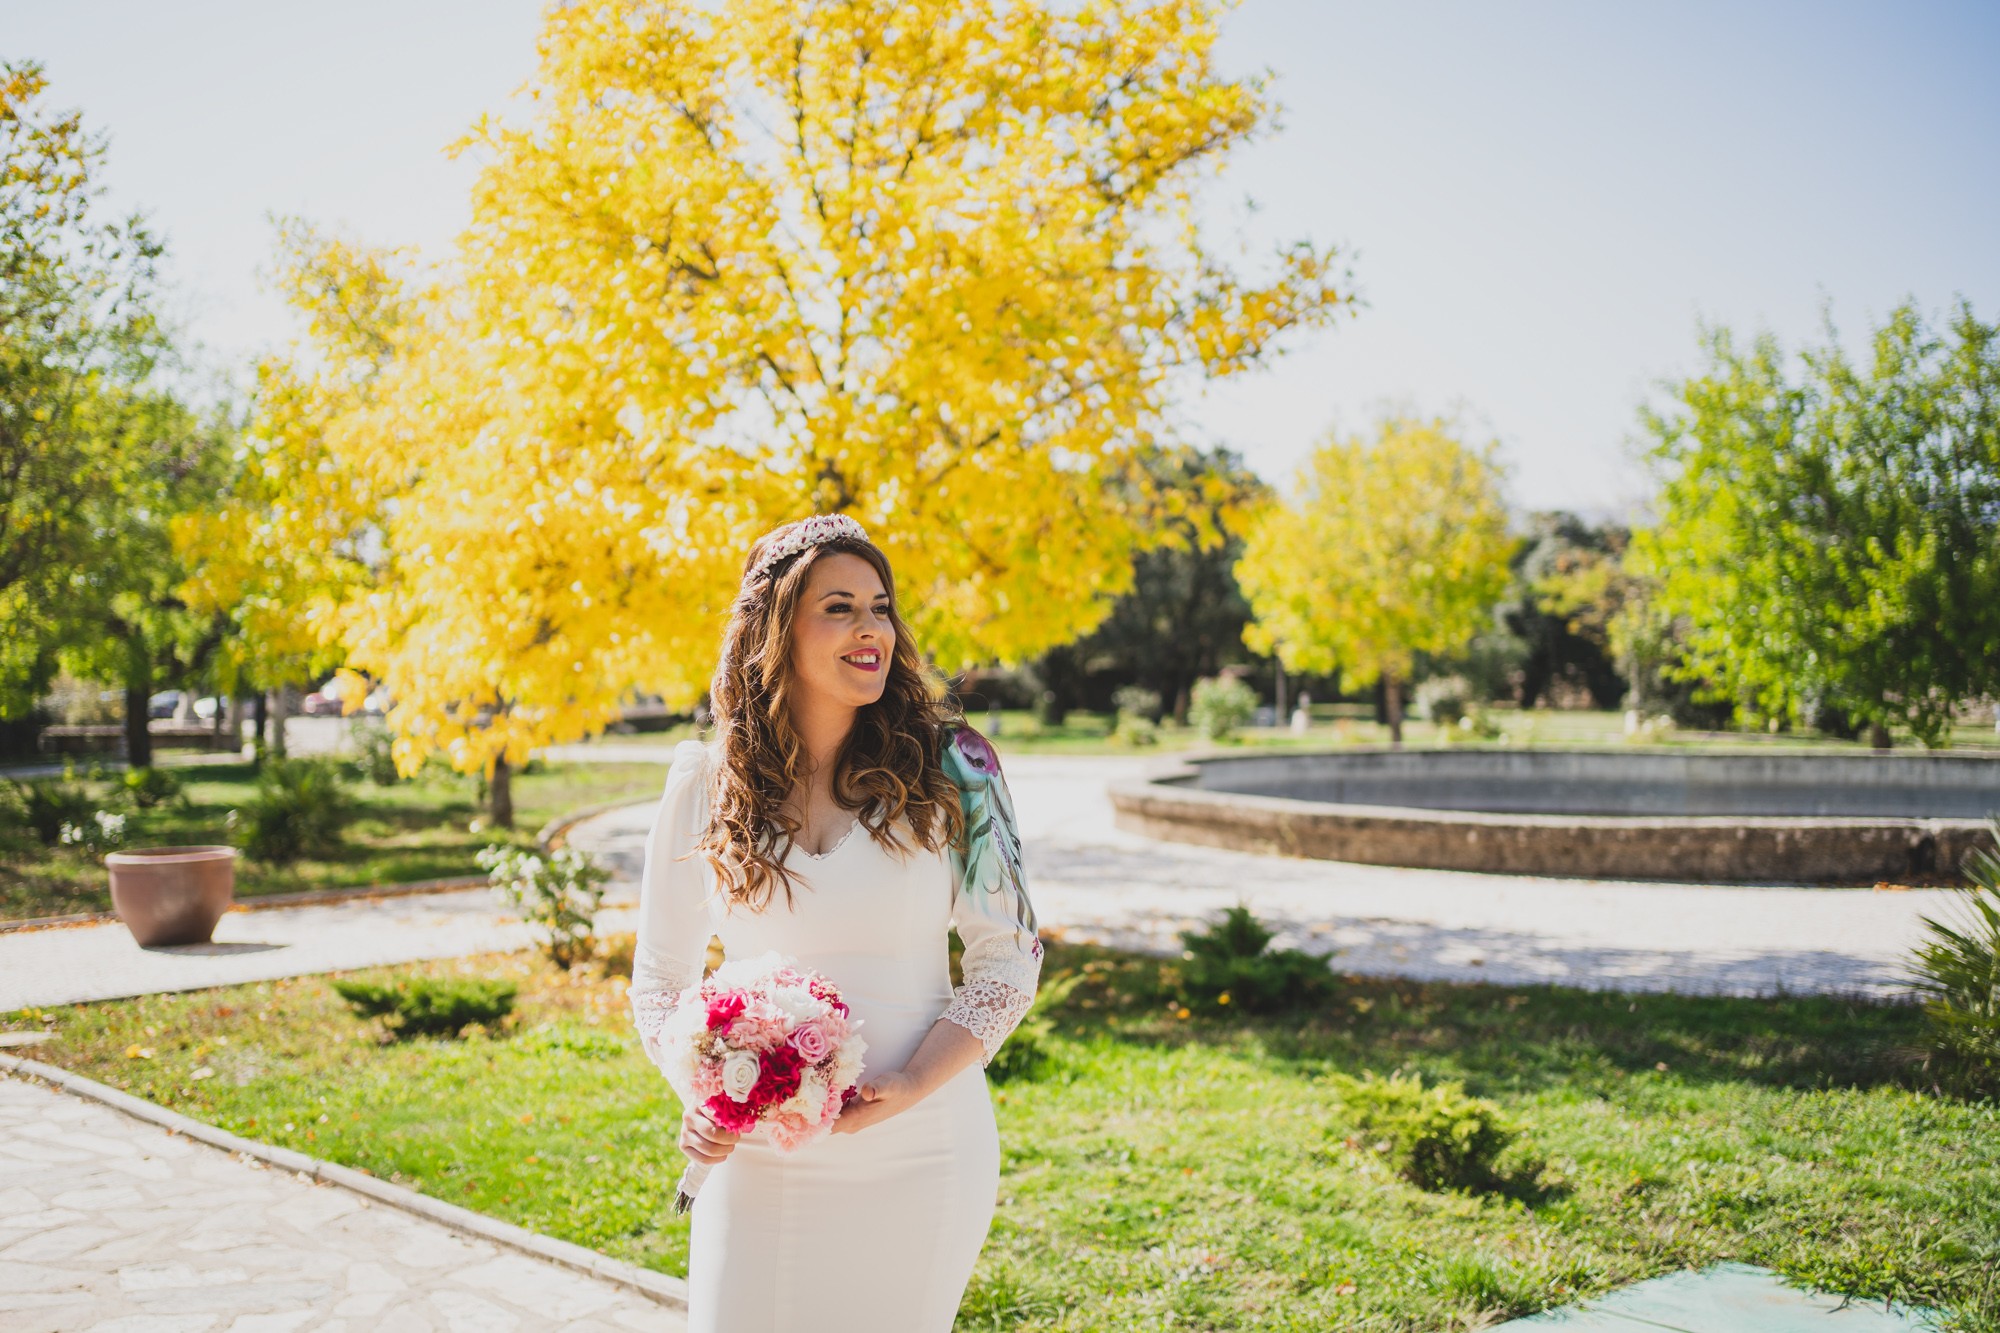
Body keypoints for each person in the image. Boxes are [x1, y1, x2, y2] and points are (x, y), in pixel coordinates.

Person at [628, 513, 1043, 1332]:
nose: (871, 630)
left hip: (925, 1148)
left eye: (881, 607)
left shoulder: (957, 767)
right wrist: (706, 1091)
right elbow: (660, 982)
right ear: (775, 629)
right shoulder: (704, 785)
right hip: (757, 1156)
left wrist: (915, 1083)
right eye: (840, 607)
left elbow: (1008, 960)